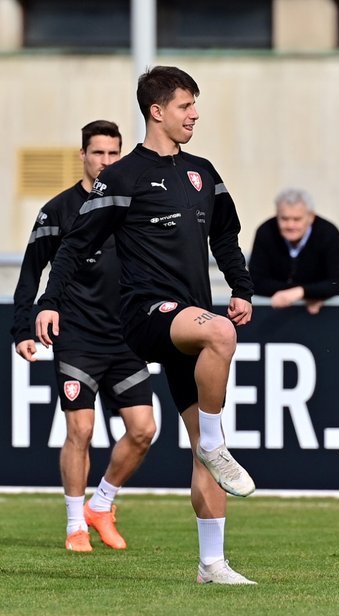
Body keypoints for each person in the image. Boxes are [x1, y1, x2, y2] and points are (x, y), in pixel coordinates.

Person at [36, 66, 257, 585]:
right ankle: (213, 440)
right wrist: (49, 301)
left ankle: (212, 565)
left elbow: (225, 238)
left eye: (195, 105)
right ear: (156, 111)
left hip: (189, 316)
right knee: (222, 334)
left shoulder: (203, 171)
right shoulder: (123, 176)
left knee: (202, 445)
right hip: (144, 313)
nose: (195, 114)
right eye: (185, 106)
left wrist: (241, 287)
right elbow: (76, 244)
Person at [10, 120, 156, 553]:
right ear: (83, 155)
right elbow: (31, 273)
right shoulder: (57, 210)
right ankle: (76, 524)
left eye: (114, 154)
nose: (106, 161)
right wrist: (23, 327)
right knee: (82, 429)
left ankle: (102, 503)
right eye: (98, 153)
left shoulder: (133, 205)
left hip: (127, 338)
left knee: (144, 430)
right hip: (77, 338)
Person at [248, 188, 339, 314]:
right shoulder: (266, 232)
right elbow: (255, 281)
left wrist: (302, 292)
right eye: (284, 219)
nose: (290, 225)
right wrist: (310, 293)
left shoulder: (328, 233)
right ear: (277, 216)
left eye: (297, 219)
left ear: (311, 217)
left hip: (326, 316)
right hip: (277, 315)